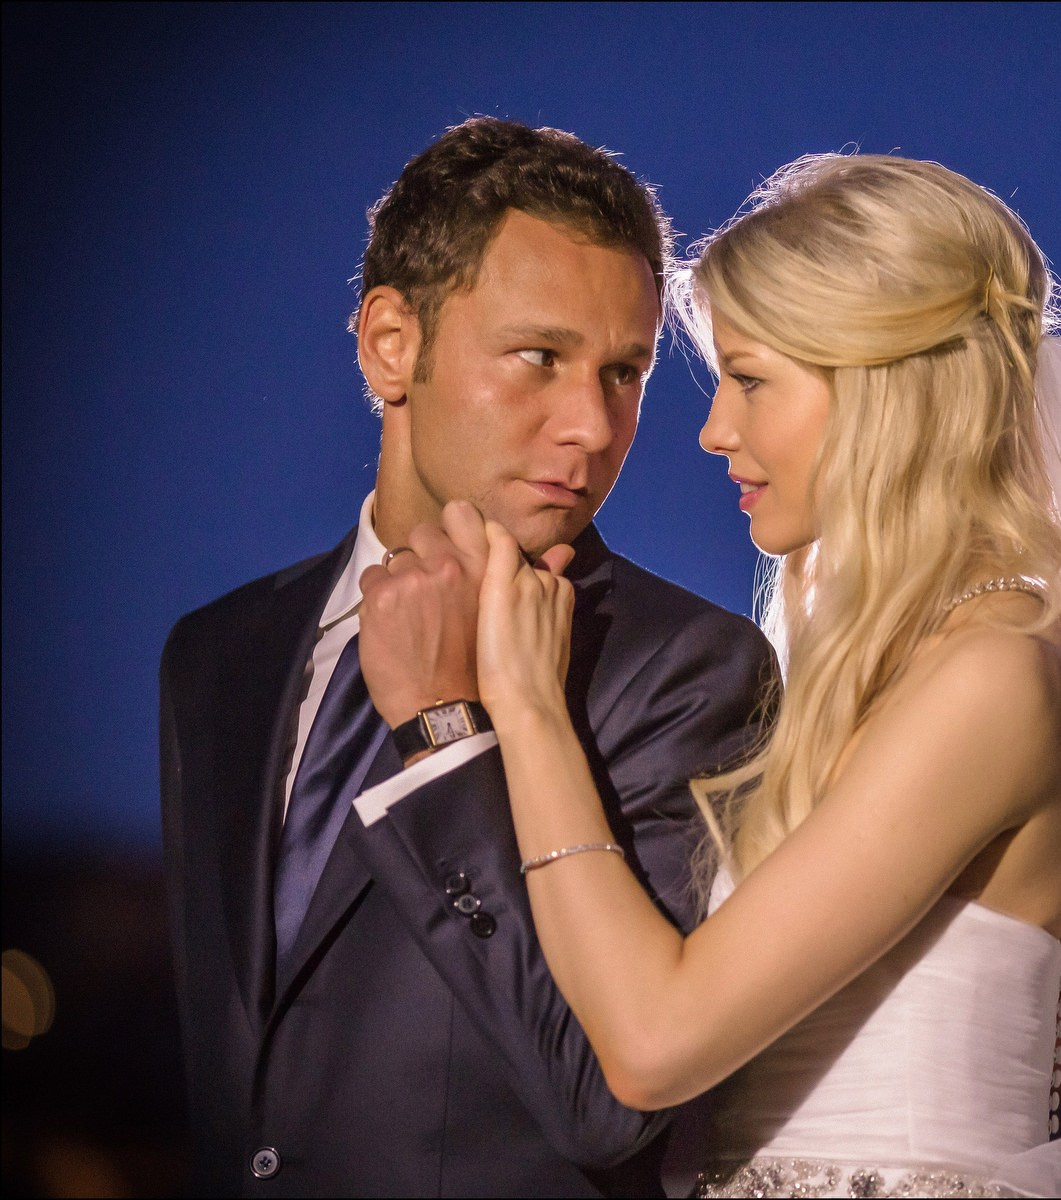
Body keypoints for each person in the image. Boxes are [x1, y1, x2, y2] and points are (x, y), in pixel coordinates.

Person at [459, 154, 1061, 1197]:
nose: (712, 429)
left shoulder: (999, 681)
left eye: (751, 380)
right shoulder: (872, 668)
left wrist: (529, 711)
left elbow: (657, 1044)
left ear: (881, 391)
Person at [158, 117, 774, 1196]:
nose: (589, 425)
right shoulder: (215, 657)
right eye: (540, 357)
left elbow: (608, 1101)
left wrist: (445, 736)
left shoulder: (688, 673)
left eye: (624, 373)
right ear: (391, 344)